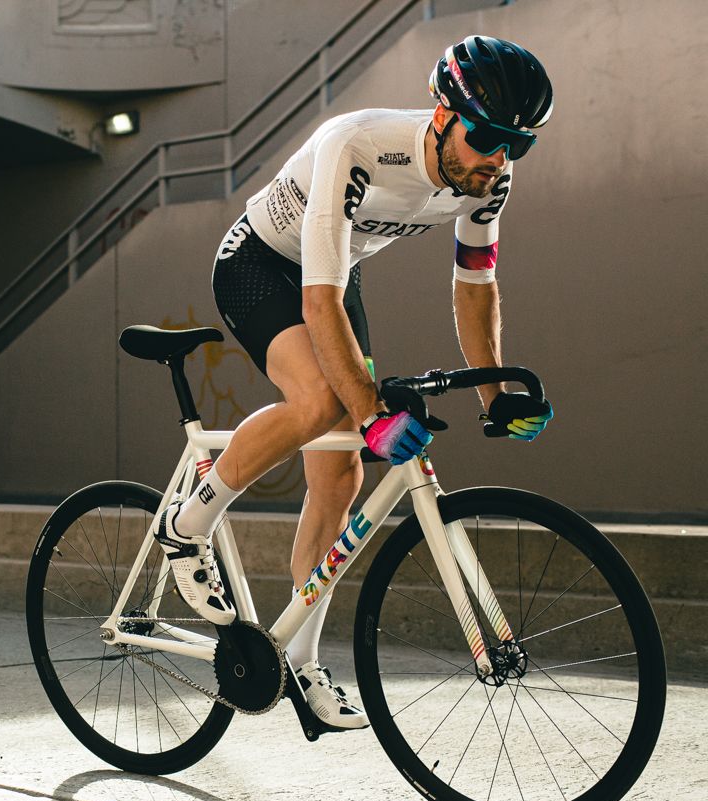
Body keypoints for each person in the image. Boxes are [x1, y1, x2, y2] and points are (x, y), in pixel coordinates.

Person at [154, 36, 556, 729]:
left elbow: (475, 288)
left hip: (337, 273)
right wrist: (369, 411)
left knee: (339, 479)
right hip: (260, 265)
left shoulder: (490, 178)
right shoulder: (360, 146)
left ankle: (300, 661)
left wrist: (494, 394)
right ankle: (188, 523)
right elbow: (317, 307)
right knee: (317, 404)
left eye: (517, 145)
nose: (499, 157)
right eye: (488, 136)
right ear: (442, 113)